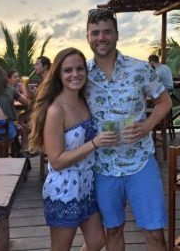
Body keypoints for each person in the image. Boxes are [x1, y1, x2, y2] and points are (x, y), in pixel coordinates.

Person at [86, 8, 172, 250]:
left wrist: (146, 126)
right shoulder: (82, 74)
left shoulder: (140, 69)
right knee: (112, 230)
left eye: (106, 32)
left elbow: (164, 102)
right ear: (88, 37)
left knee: (154, 232)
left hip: (141, 162)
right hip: (103, 166)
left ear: (116, 35)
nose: (101, 38)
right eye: (95, 33)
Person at [29, 47, 118, 251]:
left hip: (87, 184)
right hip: (64, 189)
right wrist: (94, 143)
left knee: (96, 241)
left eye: (80, 68)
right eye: (68, 70)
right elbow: (57, 161)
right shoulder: (55, 111)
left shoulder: (84, 100)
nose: (75, 74)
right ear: (59, 75)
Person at [0, 66, 30, 157]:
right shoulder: (11, 90)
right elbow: (27, 103)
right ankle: (4, 159)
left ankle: (0, 159)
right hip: (6, 129)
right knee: (15, 127)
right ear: (4, 78)